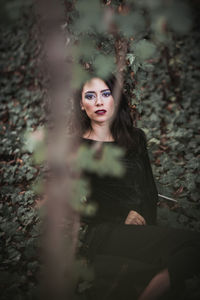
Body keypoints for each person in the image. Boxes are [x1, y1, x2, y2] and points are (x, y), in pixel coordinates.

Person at [71, 74, 200, 300]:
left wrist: (147, 228)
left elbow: (148, 190)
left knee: (189, 252)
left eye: (105, 94)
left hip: (142, 230)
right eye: (90, 96)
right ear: (82, 104)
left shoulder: (135, 138)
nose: (99, 102)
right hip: (107, 232)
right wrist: (122, 215)